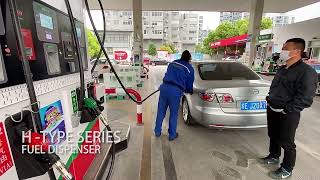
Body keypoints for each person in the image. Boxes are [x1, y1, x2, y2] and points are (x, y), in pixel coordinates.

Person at [260, 38, 318, 179]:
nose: (282, 51)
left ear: (297, 51)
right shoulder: (282, 68)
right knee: (273, 135)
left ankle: (287, 168)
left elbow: (306, 97)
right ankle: (274, 156)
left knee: (286, 141)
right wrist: (269, 99)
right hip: (273, 107)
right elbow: (275, 86)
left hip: (288, 112)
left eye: (286, 48)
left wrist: (288, 109)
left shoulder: (306, 72)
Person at [154, 50, 194, 141]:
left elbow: (168, 74)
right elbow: (189, 84)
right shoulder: (189, 68)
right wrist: (189, 91)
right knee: (173, 113)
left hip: (164, 87)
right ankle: (172, 135)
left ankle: (157, 131)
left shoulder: (173, 63)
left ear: (181, 56)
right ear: (189, 58)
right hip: (175, 91)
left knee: (161, 111)